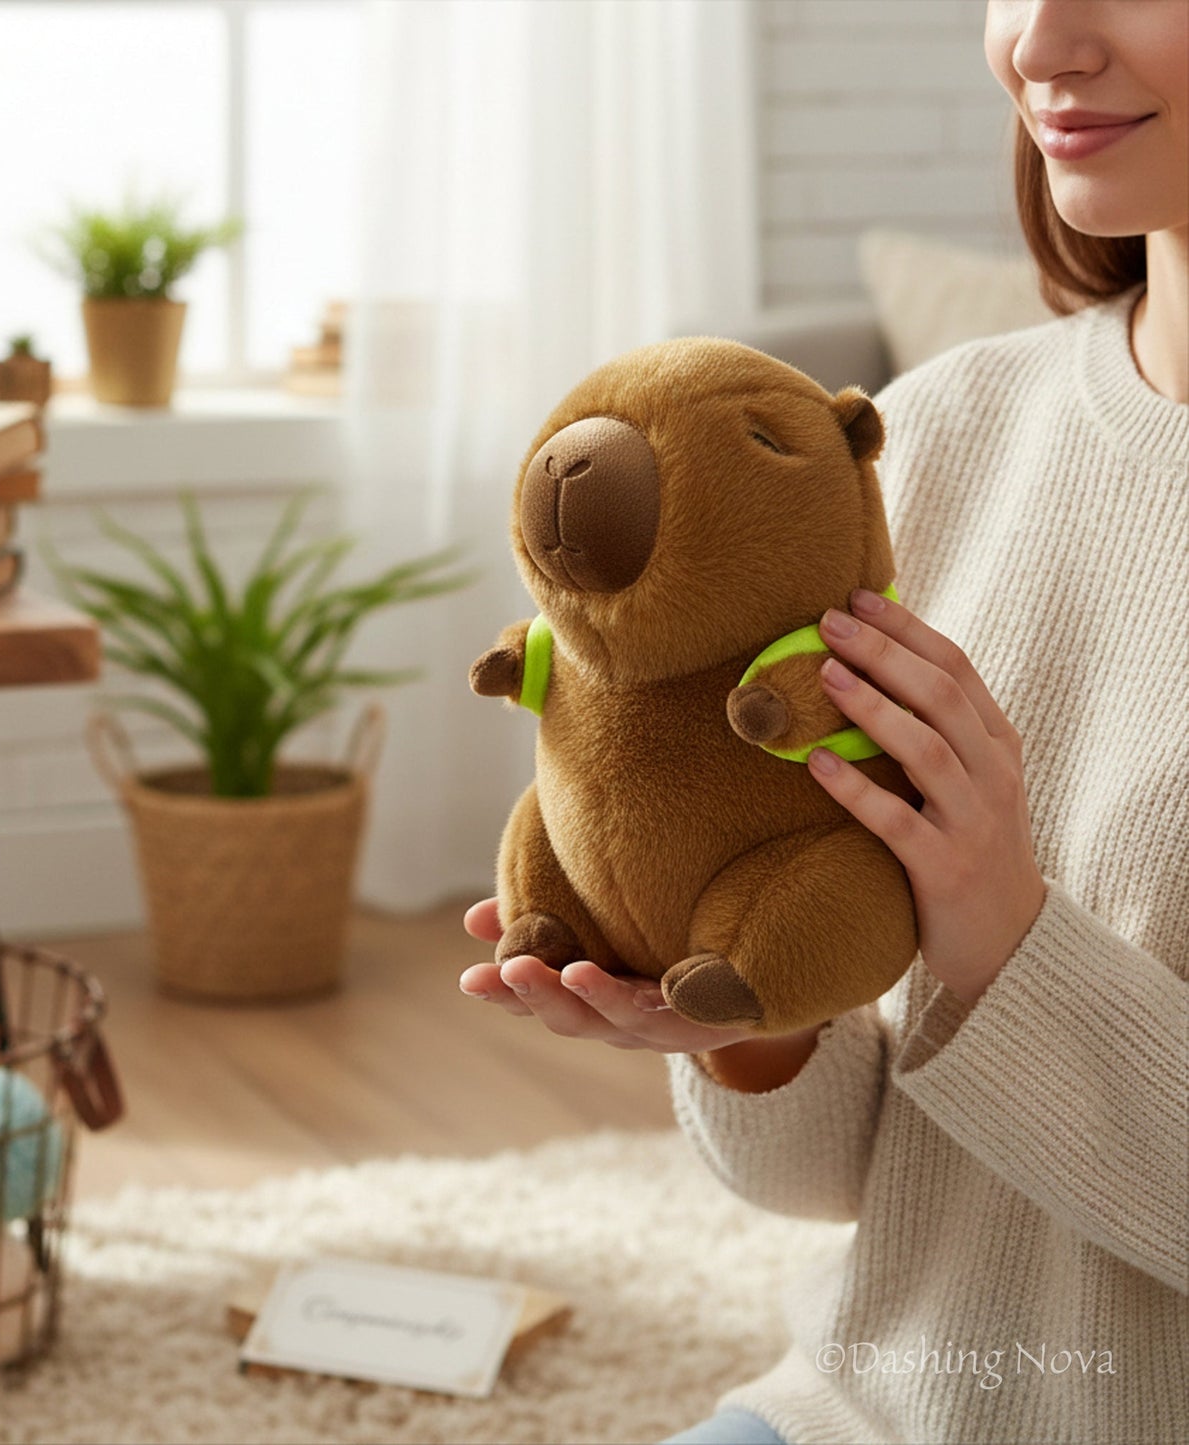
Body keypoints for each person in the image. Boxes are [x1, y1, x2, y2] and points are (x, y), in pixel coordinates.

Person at [459, 2, 1188, 1441]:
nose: (1038, 42)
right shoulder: (934, 439)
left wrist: (998, 926)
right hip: (860, 1403)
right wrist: (739, 1020)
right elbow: (851, 1179)